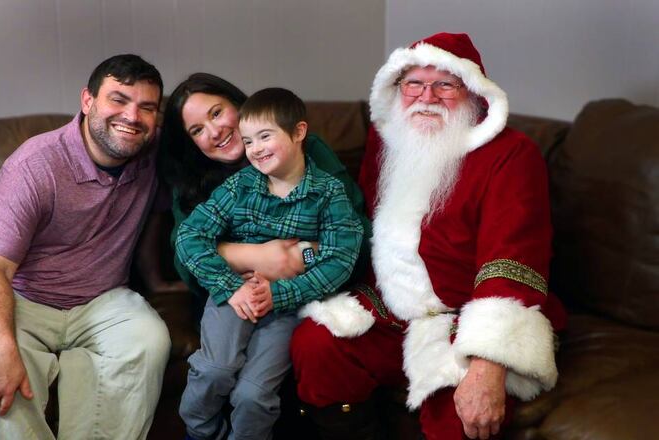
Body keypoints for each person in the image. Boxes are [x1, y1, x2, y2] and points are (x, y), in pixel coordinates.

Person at [290, 32, 567, 440]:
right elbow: (357, 227)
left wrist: (487, 363)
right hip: (389, 309)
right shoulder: (389, 140)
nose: (427, 97)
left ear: (472, 91)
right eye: (414, 84)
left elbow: (514, 260)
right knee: (315, 346)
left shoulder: (512, 154)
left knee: (460, 418)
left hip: (465, 317)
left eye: (444, 85)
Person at [0, 54, 171, 439]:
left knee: (149, 339)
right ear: (87, 100)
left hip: (102, 300)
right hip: (22, 300)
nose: (132, 116)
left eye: (147, 107)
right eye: (118, 100)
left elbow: (223, 135)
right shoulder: (35, 165)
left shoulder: (152, 154)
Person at [176, 87, 365, 440]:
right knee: (215, 370)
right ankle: (201, 434)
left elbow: (340, 257)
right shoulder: (240, 185)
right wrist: (232, 286)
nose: (256, 149)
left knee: (254, 394)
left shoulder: (328, 192)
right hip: (235, 293)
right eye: (249, 141)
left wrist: (281, 291)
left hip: (287, 306)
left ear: (299, 132)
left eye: (265, 137)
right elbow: (189, 236)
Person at [157, 73, 371, 324]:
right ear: (191, 143)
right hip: (229, 299)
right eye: (197, 130)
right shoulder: (190, 180)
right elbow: (184, 257)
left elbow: (360, 237)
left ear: (239, 105)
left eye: (216, 113)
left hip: (301, 296)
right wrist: (251, 256)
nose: (215, 132)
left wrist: (304, 255)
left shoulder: (304, 151)